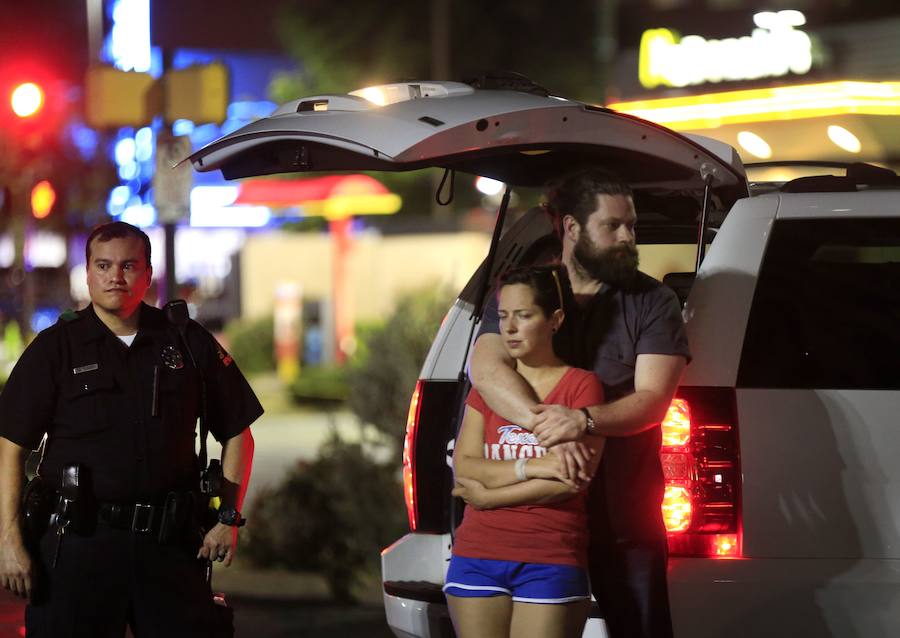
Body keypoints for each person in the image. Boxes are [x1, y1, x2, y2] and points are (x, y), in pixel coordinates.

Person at [0, 221, 263, 637]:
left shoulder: (186, 343)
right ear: (87, 273)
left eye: (128, 266)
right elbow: (10, 448)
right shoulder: (55, 348)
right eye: (103, 266)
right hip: (78, 546)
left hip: (171, 548)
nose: (115, 277)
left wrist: (227, 519)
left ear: (148, 274)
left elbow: (238, 432)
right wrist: (9, 541)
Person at [470, 169, 690, 638]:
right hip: (535, 516)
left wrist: (583, 420)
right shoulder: (524, 292)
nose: (628, 237)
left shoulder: (652, 300)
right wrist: (550, 425)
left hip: (622, 518)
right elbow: (486, 370)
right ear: (572, 228)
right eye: (613, 226)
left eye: (631, 225)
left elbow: (652, 400)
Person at [446, 265, 606, 638]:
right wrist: (533, 466)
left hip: (549, 556)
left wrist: (487, 496)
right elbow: (465, 468)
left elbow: (570, 482)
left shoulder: (581, 387)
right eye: (503, 316)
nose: (509, 328)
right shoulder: (490, 388)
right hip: (477, 555)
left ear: (555, 320)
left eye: (524, 315)